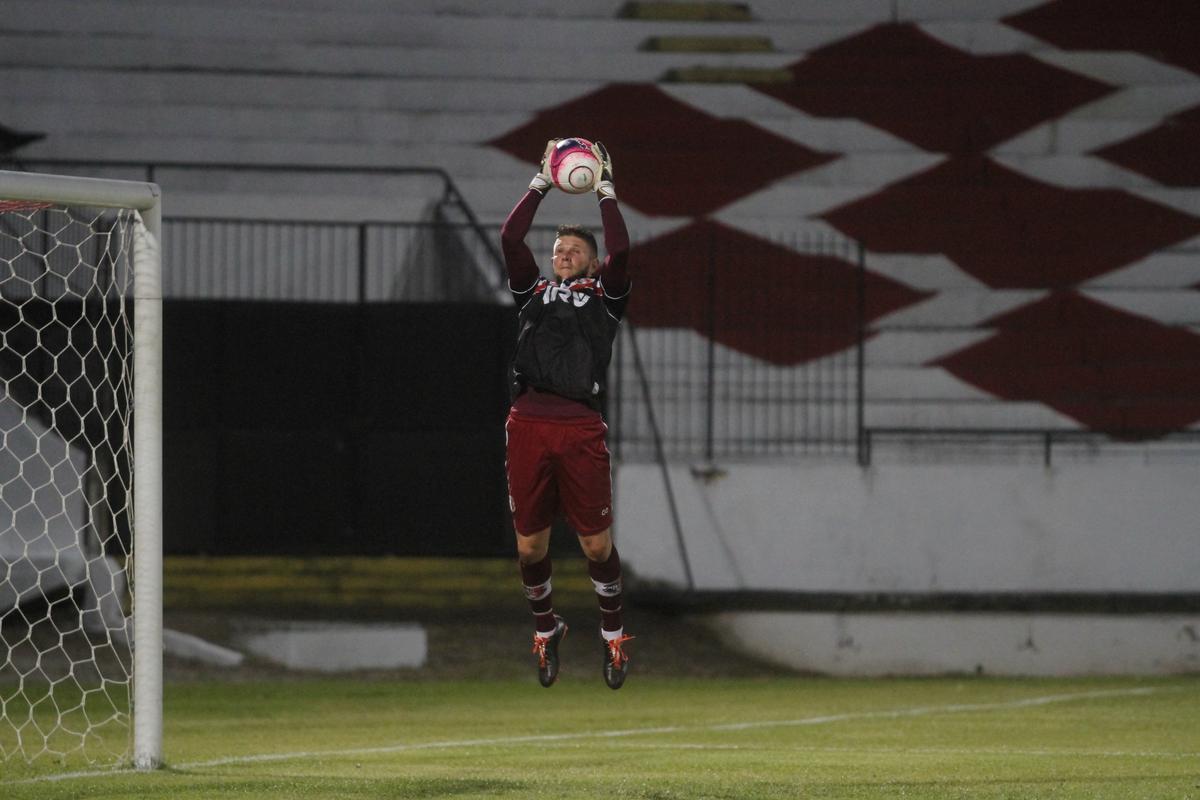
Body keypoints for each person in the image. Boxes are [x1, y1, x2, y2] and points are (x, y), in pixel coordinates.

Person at [499, 139, 633, 690]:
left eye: (573, 250)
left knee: (595, 544)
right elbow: (510, 237)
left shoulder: (606, 296)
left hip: (580, 424)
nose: (562, 255)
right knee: (530, 546)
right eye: (558, 249)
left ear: (593, 260)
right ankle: (546, 627)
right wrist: (540, 182)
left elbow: (623, 252)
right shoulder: (534, 294)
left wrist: (605, 191)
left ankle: (613, 637)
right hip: (528, 419)